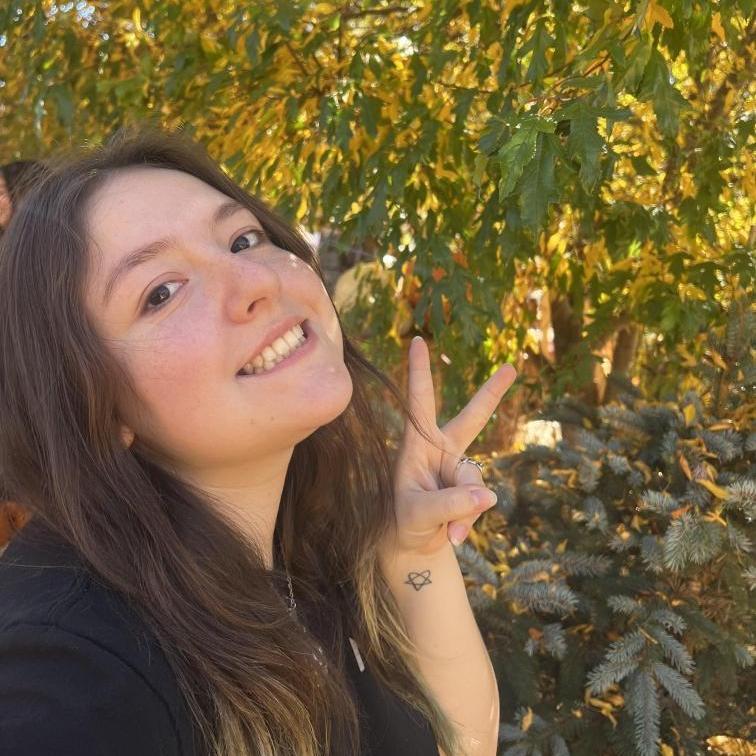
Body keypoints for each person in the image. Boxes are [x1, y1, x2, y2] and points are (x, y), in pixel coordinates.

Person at [0, 125, 516, 756]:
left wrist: (416, 554)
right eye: (161, 293)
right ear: (94, 407)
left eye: (243, 239)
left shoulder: (301, 548)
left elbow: (460, 744)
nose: (256, 281)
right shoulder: (74, 665)